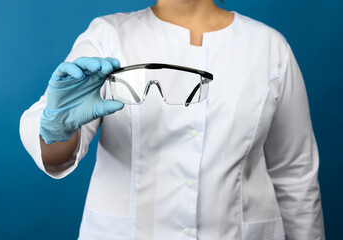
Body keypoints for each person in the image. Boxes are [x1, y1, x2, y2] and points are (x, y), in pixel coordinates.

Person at [19, 0, 325, 239]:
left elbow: (295, 175)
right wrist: (57, 127)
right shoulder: (107, 36)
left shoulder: (270, 48)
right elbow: (57, 153)